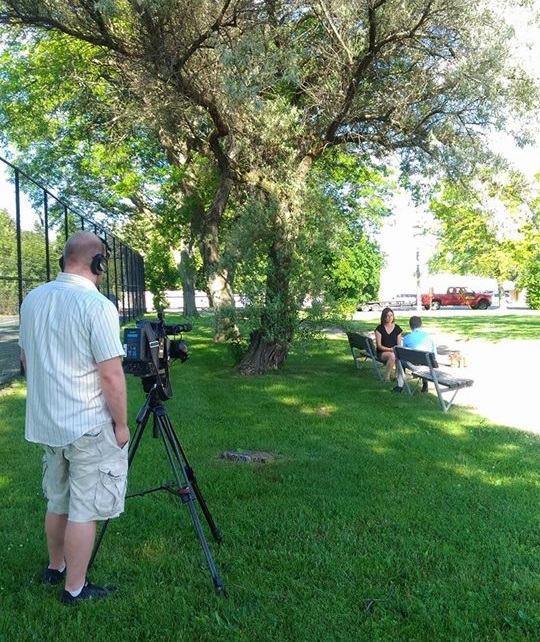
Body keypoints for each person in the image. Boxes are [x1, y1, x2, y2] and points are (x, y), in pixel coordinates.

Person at [19, 231, 129, 605]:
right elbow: (112, 375)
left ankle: (56, 567)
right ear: (99, 264)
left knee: (58, 500)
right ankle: (75, 588)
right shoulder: (96, 305)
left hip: (48, 423)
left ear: (64, 259)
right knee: (84, 507)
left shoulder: (33, 299)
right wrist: (122, 424)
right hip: (87, 423)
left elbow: (25, 360)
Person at [396, 316, 438, 393]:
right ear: (421, 325)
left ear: (410, 326)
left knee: (400, 360)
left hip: (414, 366)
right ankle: (425, 384)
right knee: (425, 359)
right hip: (429, 366)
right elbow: (434, 353)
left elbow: (404, 354)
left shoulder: (407, 338)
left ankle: (400, 385)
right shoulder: (429, 337)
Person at [374, 307, 403, 383]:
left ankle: (396, 376)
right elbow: (379, 346)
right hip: (382, 352)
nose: (390, 318)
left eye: (391, 315)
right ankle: (387, 377)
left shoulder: (397, 328)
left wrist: (394, 350)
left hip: (394, 351)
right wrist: (390, 349)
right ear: (384, 317)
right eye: (388, 316)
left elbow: (399, 345)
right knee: (392, 356)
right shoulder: (379, 329)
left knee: (397, 355)